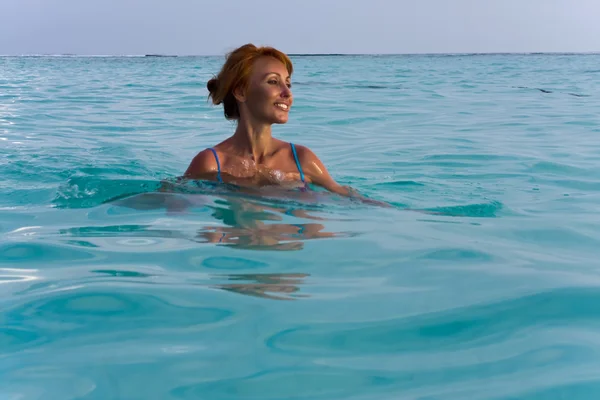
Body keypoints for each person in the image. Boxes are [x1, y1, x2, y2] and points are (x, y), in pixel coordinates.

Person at [184, 43, 380, 202]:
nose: (287, 93)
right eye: (273, 81)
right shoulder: (211, 163)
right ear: (241, 92)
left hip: (295, 242)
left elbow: (347, 198)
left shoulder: (301, 159)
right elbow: (175, 206)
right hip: (236, 243)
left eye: (288, 83)